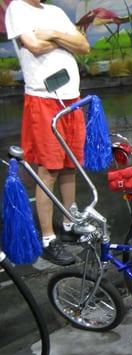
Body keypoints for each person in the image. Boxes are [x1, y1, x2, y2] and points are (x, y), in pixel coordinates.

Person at [5, 0, 90, 266]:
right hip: (43, 101)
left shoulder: (55, 13)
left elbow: (84, 46)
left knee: (69, 166)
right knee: (48, 171)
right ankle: (48, 239)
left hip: (70, 99)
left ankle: (68, 223)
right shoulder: (16, 9)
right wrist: (67, 39)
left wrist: (53, 34)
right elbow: (34, 45)